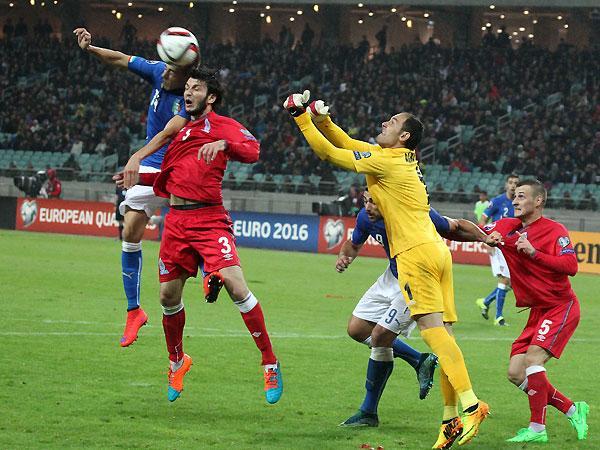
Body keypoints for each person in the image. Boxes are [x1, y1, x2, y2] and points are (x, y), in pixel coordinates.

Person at [284, 92, 488, 448]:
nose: (384, 123)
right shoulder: (398, 159)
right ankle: (449, 418)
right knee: (446, 337)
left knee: (433, 335)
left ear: (404, 135)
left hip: (414, 255)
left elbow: (329, 153)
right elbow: (347, 143)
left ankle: (472, 405)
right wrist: (323, 120)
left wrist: (300, 116)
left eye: (392, 122)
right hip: (436, 251)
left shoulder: (388, 163)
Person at [148, 66, 283, 404]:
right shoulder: (180, 128)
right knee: (167, 297)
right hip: (176, 222)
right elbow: (172, 174)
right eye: (187, 87)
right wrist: (135, 175)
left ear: (211, 98)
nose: (188, 92)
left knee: (238, 286)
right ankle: (177, 362)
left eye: (196, 88)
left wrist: (225, 144)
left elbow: (253, 150)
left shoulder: (223, 126)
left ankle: (269, 362)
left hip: (208, 219)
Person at [74, 27, 193, 347]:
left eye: (171, 69)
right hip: (152, 165)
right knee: (129, 231)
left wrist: (136, 156)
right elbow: (120, 59)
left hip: (181, 169)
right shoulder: (157, 71)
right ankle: (134, 311)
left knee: (195, 233)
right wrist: (91, 48)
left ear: (184, 73)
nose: (164, 72)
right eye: (165, 66)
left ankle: (212, 273)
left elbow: (170, 132)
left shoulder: (192, 95)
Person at [338, 190, 491, 429]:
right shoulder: (366, 217)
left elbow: (454, 226)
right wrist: (344, 256)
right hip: (392, 275)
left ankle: (368, 411)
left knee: (380, 336)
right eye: (365, 201)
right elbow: (354, 243)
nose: (367, 207)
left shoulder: (413, 212)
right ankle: (419, 360)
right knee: (357, 329)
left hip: (416, 277)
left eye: (374, 202)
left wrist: (484, 237)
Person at [481, 180, 588, 443]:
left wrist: (533, 252)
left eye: (521, 196)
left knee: (533, 360)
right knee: (516, 373)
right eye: (514, 196)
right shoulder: (508, 225)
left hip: (560, 306)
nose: (514, 201)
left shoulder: (555, 230)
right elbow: (474, 229)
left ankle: (537, 429)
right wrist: (484, 236)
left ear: (538, 201)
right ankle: (573, 409)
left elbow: (571, 266)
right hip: (537, 311)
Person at [476, 174, 519, 326]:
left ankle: (486, 302)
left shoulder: (519, 204)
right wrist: (485, 240)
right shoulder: (497, 201)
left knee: (513, 283)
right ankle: (499, 317)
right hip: (498, 245)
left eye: (516, 183)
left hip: (512, 247)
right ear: (506, 185)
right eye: (511, 182)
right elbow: (482, 221)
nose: (513, 185)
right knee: (505, 279)